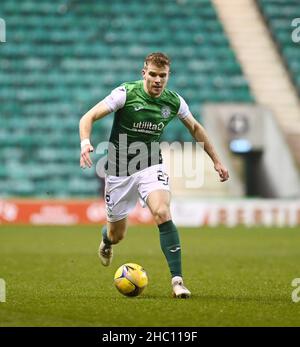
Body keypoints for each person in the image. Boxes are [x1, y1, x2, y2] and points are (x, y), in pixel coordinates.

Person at [79, 52, 229, 298]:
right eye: (153, 74)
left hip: (150, 165)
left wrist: (217, 161)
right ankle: (106, 240)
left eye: (163, 76)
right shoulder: (125, 94)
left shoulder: (173, 101)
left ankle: (177, 282)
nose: (158, 80)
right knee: (117, 235)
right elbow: (89, 117)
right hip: (118, 172)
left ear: (168, 76)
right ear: (144, 73)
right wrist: (85, 142)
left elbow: (195, 128)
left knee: (161, 211)